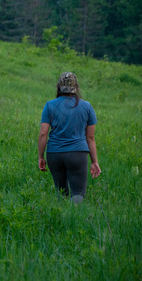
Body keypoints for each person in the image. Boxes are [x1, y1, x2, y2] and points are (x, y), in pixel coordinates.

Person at [38, 72, 101, 204]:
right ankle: (73, 217)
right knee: (78, 194)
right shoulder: (86, 106)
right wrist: (94, 162)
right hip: (78, 154)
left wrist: (41, 157)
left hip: (54, 154)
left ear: (59, 86)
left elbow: (43, 133)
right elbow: (90, 138)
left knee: (61, 193)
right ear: (76, 87)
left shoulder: (49, 105)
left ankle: (62, 218)